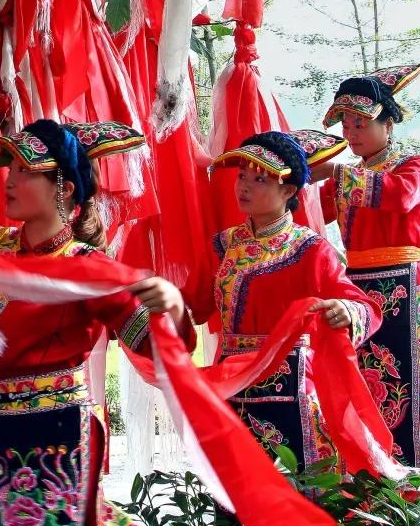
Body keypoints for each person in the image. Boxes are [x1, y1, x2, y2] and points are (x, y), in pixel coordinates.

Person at [0, 118, 189, 526]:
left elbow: (155, 346)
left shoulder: (87, 269)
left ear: (62, 188)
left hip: (55, 435)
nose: (10, 180)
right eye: (12, 169)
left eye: (25, 171)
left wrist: (176, 309)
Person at [136, 128, 380, 472]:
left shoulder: (310, 249)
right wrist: (160, 303)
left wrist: (345, 310)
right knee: (239, 484)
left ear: (289, 190)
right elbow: (195, 305)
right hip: (231, 384)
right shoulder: (222, 246)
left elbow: (364, 306)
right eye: (241, 176)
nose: (244, 186)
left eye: (260, 179)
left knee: (298, 482)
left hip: (291, 386)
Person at [311, 64, 420, 483]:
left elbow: (400, 199)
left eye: (361, 123)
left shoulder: (413, 166)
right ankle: (371, 479)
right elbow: (309, 215)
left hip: (405, 286)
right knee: (361, 384)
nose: (351, 133)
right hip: (355, 295)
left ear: (388, 122)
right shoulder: (344, 180)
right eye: (346, 124)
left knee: (414, 387)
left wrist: (337, 173)